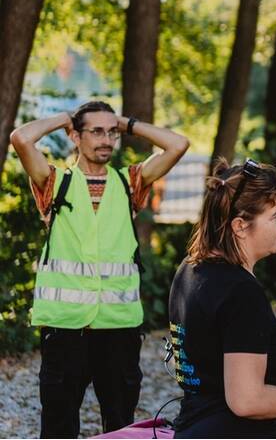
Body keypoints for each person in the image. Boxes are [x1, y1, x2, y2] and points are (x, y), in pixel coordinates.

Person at [9, 101, 189, 438]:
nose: (106, 139)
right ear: (75, 136)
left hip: (118, 328)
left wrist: (126, 123)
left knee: (121, 427)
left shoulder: (129, 183)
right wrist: (64, 118)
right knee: (58, 428)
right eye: (97, 131)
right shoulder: (55, 182)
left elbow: (178, 144)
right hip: (65, 328)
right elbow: (21, 138)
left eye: (112, 132)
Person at [167, 159, 276, 438]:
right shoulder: (240, 291)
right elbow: (247, 401)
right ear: (239, 225)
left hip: (196, 426)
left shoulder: (190, 268)